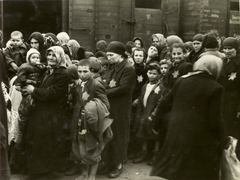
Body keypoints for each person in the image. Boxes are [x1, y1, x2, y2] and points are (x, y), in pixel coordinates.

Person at [151, 55, 226, 180]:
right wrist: (223, 140)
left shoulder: (181, 80)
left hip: (177, 133)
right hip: (200, 140)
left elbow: (163, 103)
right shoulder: (216, 88)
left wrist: (156, 125)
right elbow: (215, 121)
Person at [23, 46, 70, 179]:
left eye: (54, 55)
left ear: (60, 57)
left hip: (52, 114)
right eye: (48, 55)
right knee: (37, 141)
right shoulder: (49, 70)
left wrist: (34, 91)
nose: (50, 58)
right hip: (41, 112)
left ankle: (44, 172)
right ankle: (37, 171)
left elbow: (53, 93)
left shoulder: (62, 74)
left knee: (45, 142)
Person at [71, 59, 112, 180]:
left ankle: (92, 176)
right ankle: (84, 174)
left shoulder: (96, 85)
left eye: (85, 71)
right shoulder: (78, 84)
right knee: (79, 149)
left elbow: (106, 105)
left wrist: (91, 109)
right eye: (79, 71)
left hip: (90, 123)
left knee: (91, 149)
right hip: (78, 121)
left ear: (91, 71)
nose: (82, 74)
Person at [104, 41, 136, 178]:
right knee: (110, 135)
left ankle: (118, 164)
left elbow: (124, 88)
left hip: (121, 108)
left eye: (111, 55)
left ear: (120, 55)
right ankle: (109, 162)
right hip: (111, 107)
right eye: (107, 55)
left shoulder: (128, 68)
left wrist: (103, 93)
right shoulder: (114, 66)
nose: (108, 58)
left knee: (119, 135)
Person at [133, 63, 165, 166]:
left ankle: (155, 154)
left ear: (159, 74)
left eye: (154, 74)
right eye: (150, 73)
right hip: (144, 114)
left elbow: (160, 103)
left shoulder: (161, 87)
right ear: (147, 73)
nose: (151, 76)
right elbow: (143, 98)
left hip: (154, 115)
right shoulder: (145, 86)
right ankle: (144, 152)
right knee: (144, 133)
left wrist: (153, 114)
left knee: (155, 134)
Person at [218, 37, 240, 159]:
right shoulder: (222, 61)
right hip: (223, 102)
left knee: (233, 134)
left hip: (234, 103)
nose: (226, 51)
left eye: (230, 48)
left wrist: (239, 109)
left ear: (236, 49)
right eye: (225, 48)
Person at [14, 48, 46, 131]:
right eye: (33, 57)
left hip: (37, 88)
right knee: (27, 105)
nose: (36, 59)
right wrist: (21, 84)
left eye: (37, 57)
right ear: (28, 59)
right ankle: (23, 123)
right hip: (28, 88)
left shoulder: (40, 67)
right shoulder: (25, 67)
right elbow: (20, 77)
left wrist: (43, 67)